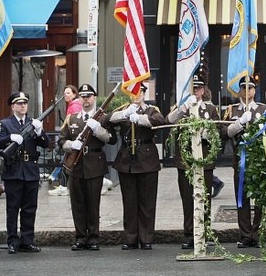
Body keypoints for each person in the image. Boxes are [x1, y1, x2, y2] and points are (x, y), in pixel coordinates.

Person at [109, 85, 166, 250]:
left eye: (140, 92)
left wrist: (140, 119)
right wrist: (124, 114)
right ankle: (130, 237)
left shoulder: (151, 110)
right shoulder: (124, 110)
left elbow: (160, 120)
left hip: (147, 159)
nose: (137, 95)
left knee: (147, 202)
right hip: (127, 159)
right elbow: (107, 119)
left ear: (144, 93)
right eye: (133, 92)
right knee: (129, 201)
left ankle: (146, 237)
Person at [168, 74, 221, 250]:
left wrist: (204, 132)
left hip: (204, 160)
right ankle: (190, 234)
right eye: (193, 88)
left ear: (203, 90)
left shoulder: (210, 110)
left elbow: (218, 132)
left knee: (205, 199)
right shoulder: (181, 108)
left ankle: (205, 232)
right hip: (185, 162)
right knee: (188, 199)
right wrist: (184, 107)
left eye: (198, 88)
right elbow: (169, 121)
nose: (196, 92)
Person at [59, 84, 114, 251]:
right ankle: (80, 237)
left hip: (94, 164)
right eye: (83, 96)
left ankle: (94, 237)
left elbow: (111, 139)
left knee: (93, 203)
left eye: (88, 96)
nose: (85, 99)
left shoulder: (102, 118)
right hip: (76, 165)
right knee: (77, 203)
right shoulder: (71, 118)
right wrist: (71, 145)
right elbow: (61, 140)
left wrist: (98, 129)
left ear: (94, 98)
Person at [0, 91, 49, 254]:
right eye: (19, 103)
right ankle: (12, 241)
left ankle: (27, 241)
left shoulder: (33, 123)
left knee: (29, 208)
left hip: (30, 170)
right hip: (14, 171)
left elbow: (46, 144)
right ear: (13, 106)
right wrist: (10, 137)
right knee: (12, 208)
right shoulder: (5, 123)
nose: (23, 105)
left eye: (25, 103)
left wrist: (39, 132)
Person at [224, 76, 266, 248]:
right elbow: (225, 133)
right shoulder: (232, 110)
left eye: (250, 88)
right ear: (240, 90)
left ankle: (257, 234)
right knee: (242, 199)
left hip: (259, 160)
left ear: (254, 90)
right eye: (244, 88)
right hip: (240, 159)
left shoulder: (263, 109)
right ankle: (245, 235)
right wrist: (240, 123)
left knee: (260, 200)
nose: (247, 91)